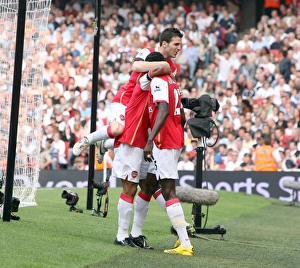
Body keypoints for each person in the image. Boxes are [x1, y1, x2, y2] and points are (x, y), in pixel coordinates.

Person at [72, 28, 181, 163]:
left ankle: (104, 145)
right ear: (164, 44)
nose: (179, 48)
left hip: (146, 105)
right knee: (118, 129)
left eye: (180, 45)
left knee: (136, 138)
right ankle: (88, 139)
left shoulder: (173, 68)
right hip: (127, 98)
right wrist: (162, 65)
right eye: (176, 44)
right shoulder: (148, 52)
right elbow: (136, 66)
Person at [144, 54, 194, 256]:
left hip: (164, 140)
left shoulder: (158, 81)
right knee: (160, 185)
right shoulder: (173, 82)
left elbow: (163, 110)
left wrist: (150, 140)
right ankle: (183, 240)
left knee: (169, 191)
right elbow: (181, 115)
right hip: (175, 138)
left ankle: (185, 243)